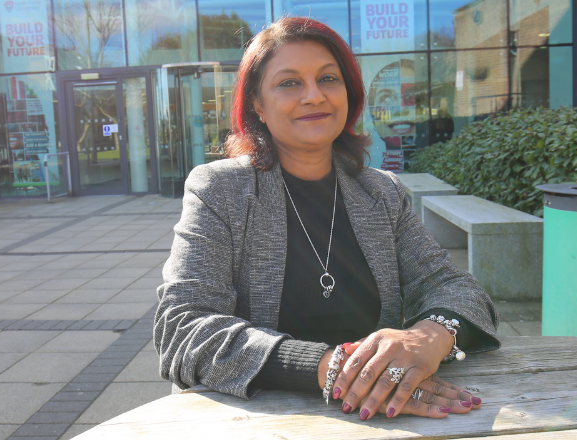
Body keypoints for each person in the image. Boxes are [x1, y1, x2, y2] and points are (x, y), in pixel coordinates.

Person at [153, 16, 500, 421]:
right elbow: (182, 327)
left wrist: (430, 336)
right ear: (258, 105)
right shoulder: (220, 189)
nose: (314, 96)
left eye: (328, 79)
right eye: (289, 83)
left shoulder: (381, 192)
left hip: (382, 418)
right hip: (255, 420)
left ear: (348, 95)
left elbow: (457, 288)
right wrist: (334, 368)